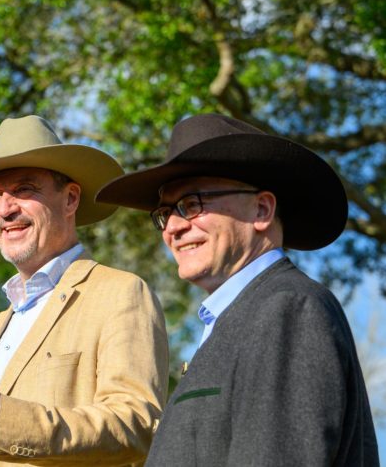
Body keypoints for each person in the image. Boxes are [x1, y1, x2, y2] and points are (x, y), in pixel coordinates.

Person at [95, 113, 380, 465]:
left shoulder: (286, 309)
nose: (172, 228)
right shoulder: (239, 317)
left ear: (261, 209)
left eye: (191, 204)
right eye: (165, 213)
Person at [0, 115, 169, 466]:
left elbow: (137, 426)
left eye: (24, 190)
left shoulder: (120, 293)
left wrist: (5, 422)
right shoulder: (10, 313)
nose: (5, 208)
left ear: (70, 199)